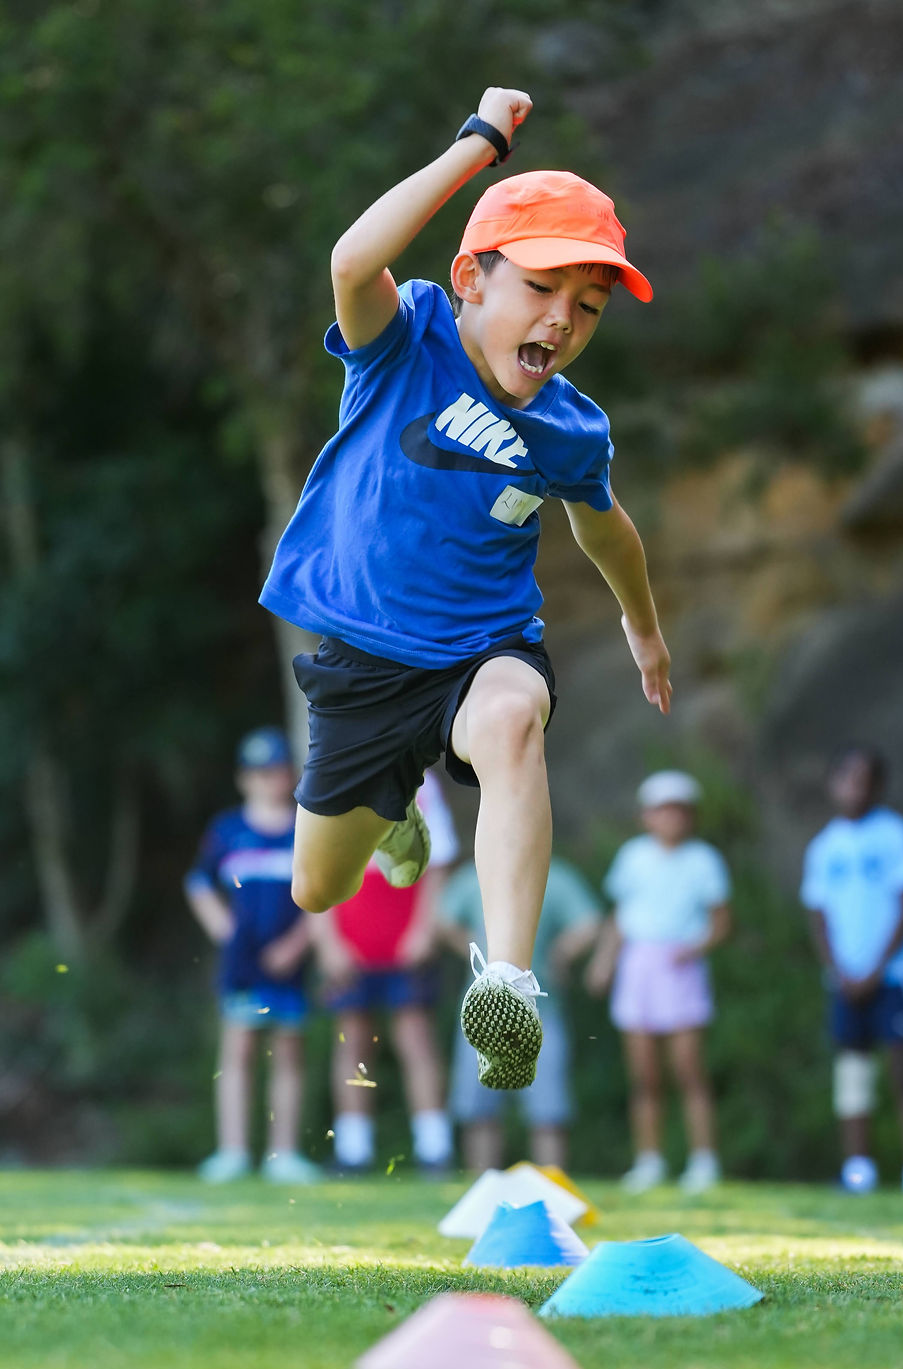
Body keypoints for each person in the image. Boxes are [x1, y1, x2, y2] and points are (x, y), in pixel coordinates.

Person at [259, 87, 671, 1095]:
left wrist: (642, 626)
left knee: (513, 718)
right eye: (540, 287)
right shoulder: (407, 339)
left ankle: (507, 987)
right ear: (470, 278)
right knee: (316, 887)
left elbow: (604, 527)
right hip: (368, 658)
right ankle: (395, 810)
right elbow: (350, 261)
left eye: (587, 306)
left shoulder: (570, 428)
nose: (561, 319)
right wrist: (478, 145)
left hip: (485, 648)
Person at [801, 742, 903, 1195]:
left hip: (893, 975)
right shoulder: (824, 846)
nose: (854, 789)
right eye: (847, 779)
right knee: (853, 1072)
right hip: (845, 980)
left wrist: (878, 967)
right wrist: (839, 970)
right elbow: (818, 914)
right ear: (833, 784)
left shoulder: (895, 835)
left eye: (864, 780)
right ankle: (859, 1169)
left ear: (878, 786)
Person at [185, 727, 319, 1185]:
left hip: (290, 964)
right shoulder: (228, 830)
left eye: (275, 771)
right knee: (238, 1050)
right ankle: (233, 1151)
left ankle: (284, 1154)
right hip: (242, 965)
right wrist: (223, 930)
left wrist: (296, 945)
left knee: (288, 1054)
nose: (268, 780)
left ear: (290, 774)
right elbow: (199, 884)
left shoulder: (306, 827)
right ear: (244, 779)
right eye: (258, 773)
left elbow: (325, 895)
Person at [588, 771, 731, 1192]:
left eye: (679, 811)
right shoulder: (633, 856)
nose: (671, 818)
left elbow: (721, 922)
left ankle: (704, 1160)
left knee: (689, 1070)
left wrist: (694, 948)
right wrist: (604, 962)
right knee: (644, 1075)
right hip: (639, 967)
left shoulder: (704, 860)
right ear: (646, 816)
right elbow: (619, 917)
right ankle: (649, 1160)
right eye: (662, 810)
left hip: (680, 967)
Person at [311, 770, 459, 1174]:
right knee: (352, 1041)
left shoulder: (420, 781)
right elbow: (311, 865)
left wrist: (425, 929)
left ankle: (435, 1149)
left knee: (416, 1038)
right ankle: (353, 1151)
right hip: (350, 938)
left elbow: (439, 861)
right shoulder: (329, 773)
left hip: (405, 937)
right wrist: (328, 941)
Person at [440, 855, 602, 1172]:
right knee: (478, 1111)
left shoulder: (554, 875)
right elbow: (442, 920)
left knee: (548, 1112)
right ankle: (484, 1185)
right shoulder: (478, 873)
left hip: (543, 1012)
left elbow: (589, 923)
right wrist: (475, 951)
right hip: (482, 1016)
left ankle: (551, 1185)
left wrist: (561, 952)